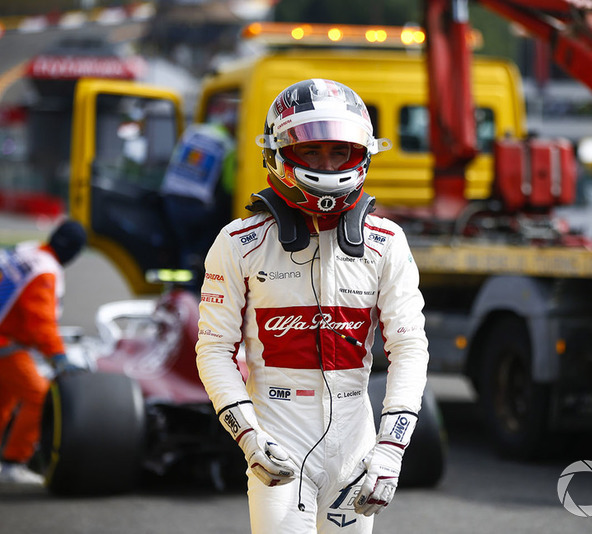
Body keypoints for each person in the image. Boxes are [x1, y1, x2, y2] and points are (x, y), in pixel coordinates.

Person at [196, 79, 429, 533]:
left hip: (356, 443)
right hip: (278, 438)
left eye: (339, 152)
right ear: (279, 152)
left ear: (362, 153)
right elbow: (212, 350)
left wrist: (390, 449)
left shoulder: (388, 243)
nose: (326, 165)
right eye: (311, 151)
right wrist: (249, 437)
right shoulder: (237, 243)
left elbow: (410, 348)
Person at [0, 219, 87, 485]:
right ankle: (12, 463)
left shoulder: (28, 251)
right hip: (6, 344)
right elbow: (41, 323)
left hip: (7, 339)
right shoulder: (46, 272)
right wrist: (58, 357)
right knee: (38, 395)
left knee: (5, 400)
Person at [160, 118, 236, 286]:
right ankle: (196, 286)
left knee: (184, 246)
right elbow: (229, 185)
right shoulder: (227, 144)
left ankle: (180, 287)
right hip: (197, 206)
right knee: (209, 241)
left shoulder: (193, 132)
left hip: (171, 199)